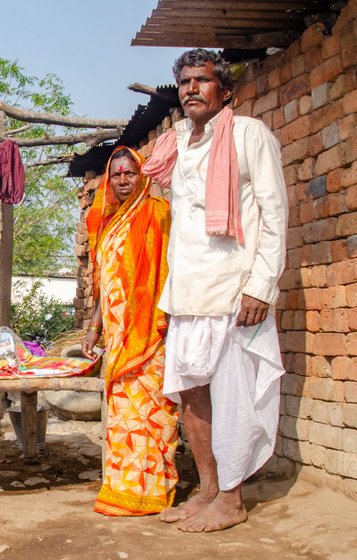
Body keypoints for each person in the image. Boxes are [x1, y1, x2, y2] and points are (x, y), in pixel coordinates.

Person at [142, 49, 288, 532]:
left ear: (224, 91)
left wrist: (261, 285)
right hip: (187, 291)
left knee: (234, 398)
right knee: (191, 395)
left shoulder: (250, 135)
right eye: (184, 82)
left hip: (234, 291)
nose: (191, 89)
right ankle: (207, 490)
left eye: (202, 80)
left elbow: (274, 215)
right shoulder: (177, 142)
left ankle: (232, 498)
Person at [83, 146, 178, 516]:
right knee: (124, 414)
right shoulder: (108, 224)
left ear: (143, 176)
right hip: (118, 338)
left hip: (152, 335)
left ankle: (156, 491)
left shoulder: (160, 213)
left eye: (130, 173)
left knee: (154, 412)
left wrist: (165, 320)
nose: (123, 180)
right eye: (117, 174)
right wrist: (94, 327)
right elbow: (104, 285)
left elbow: (171, 270)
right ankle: (122, 489)